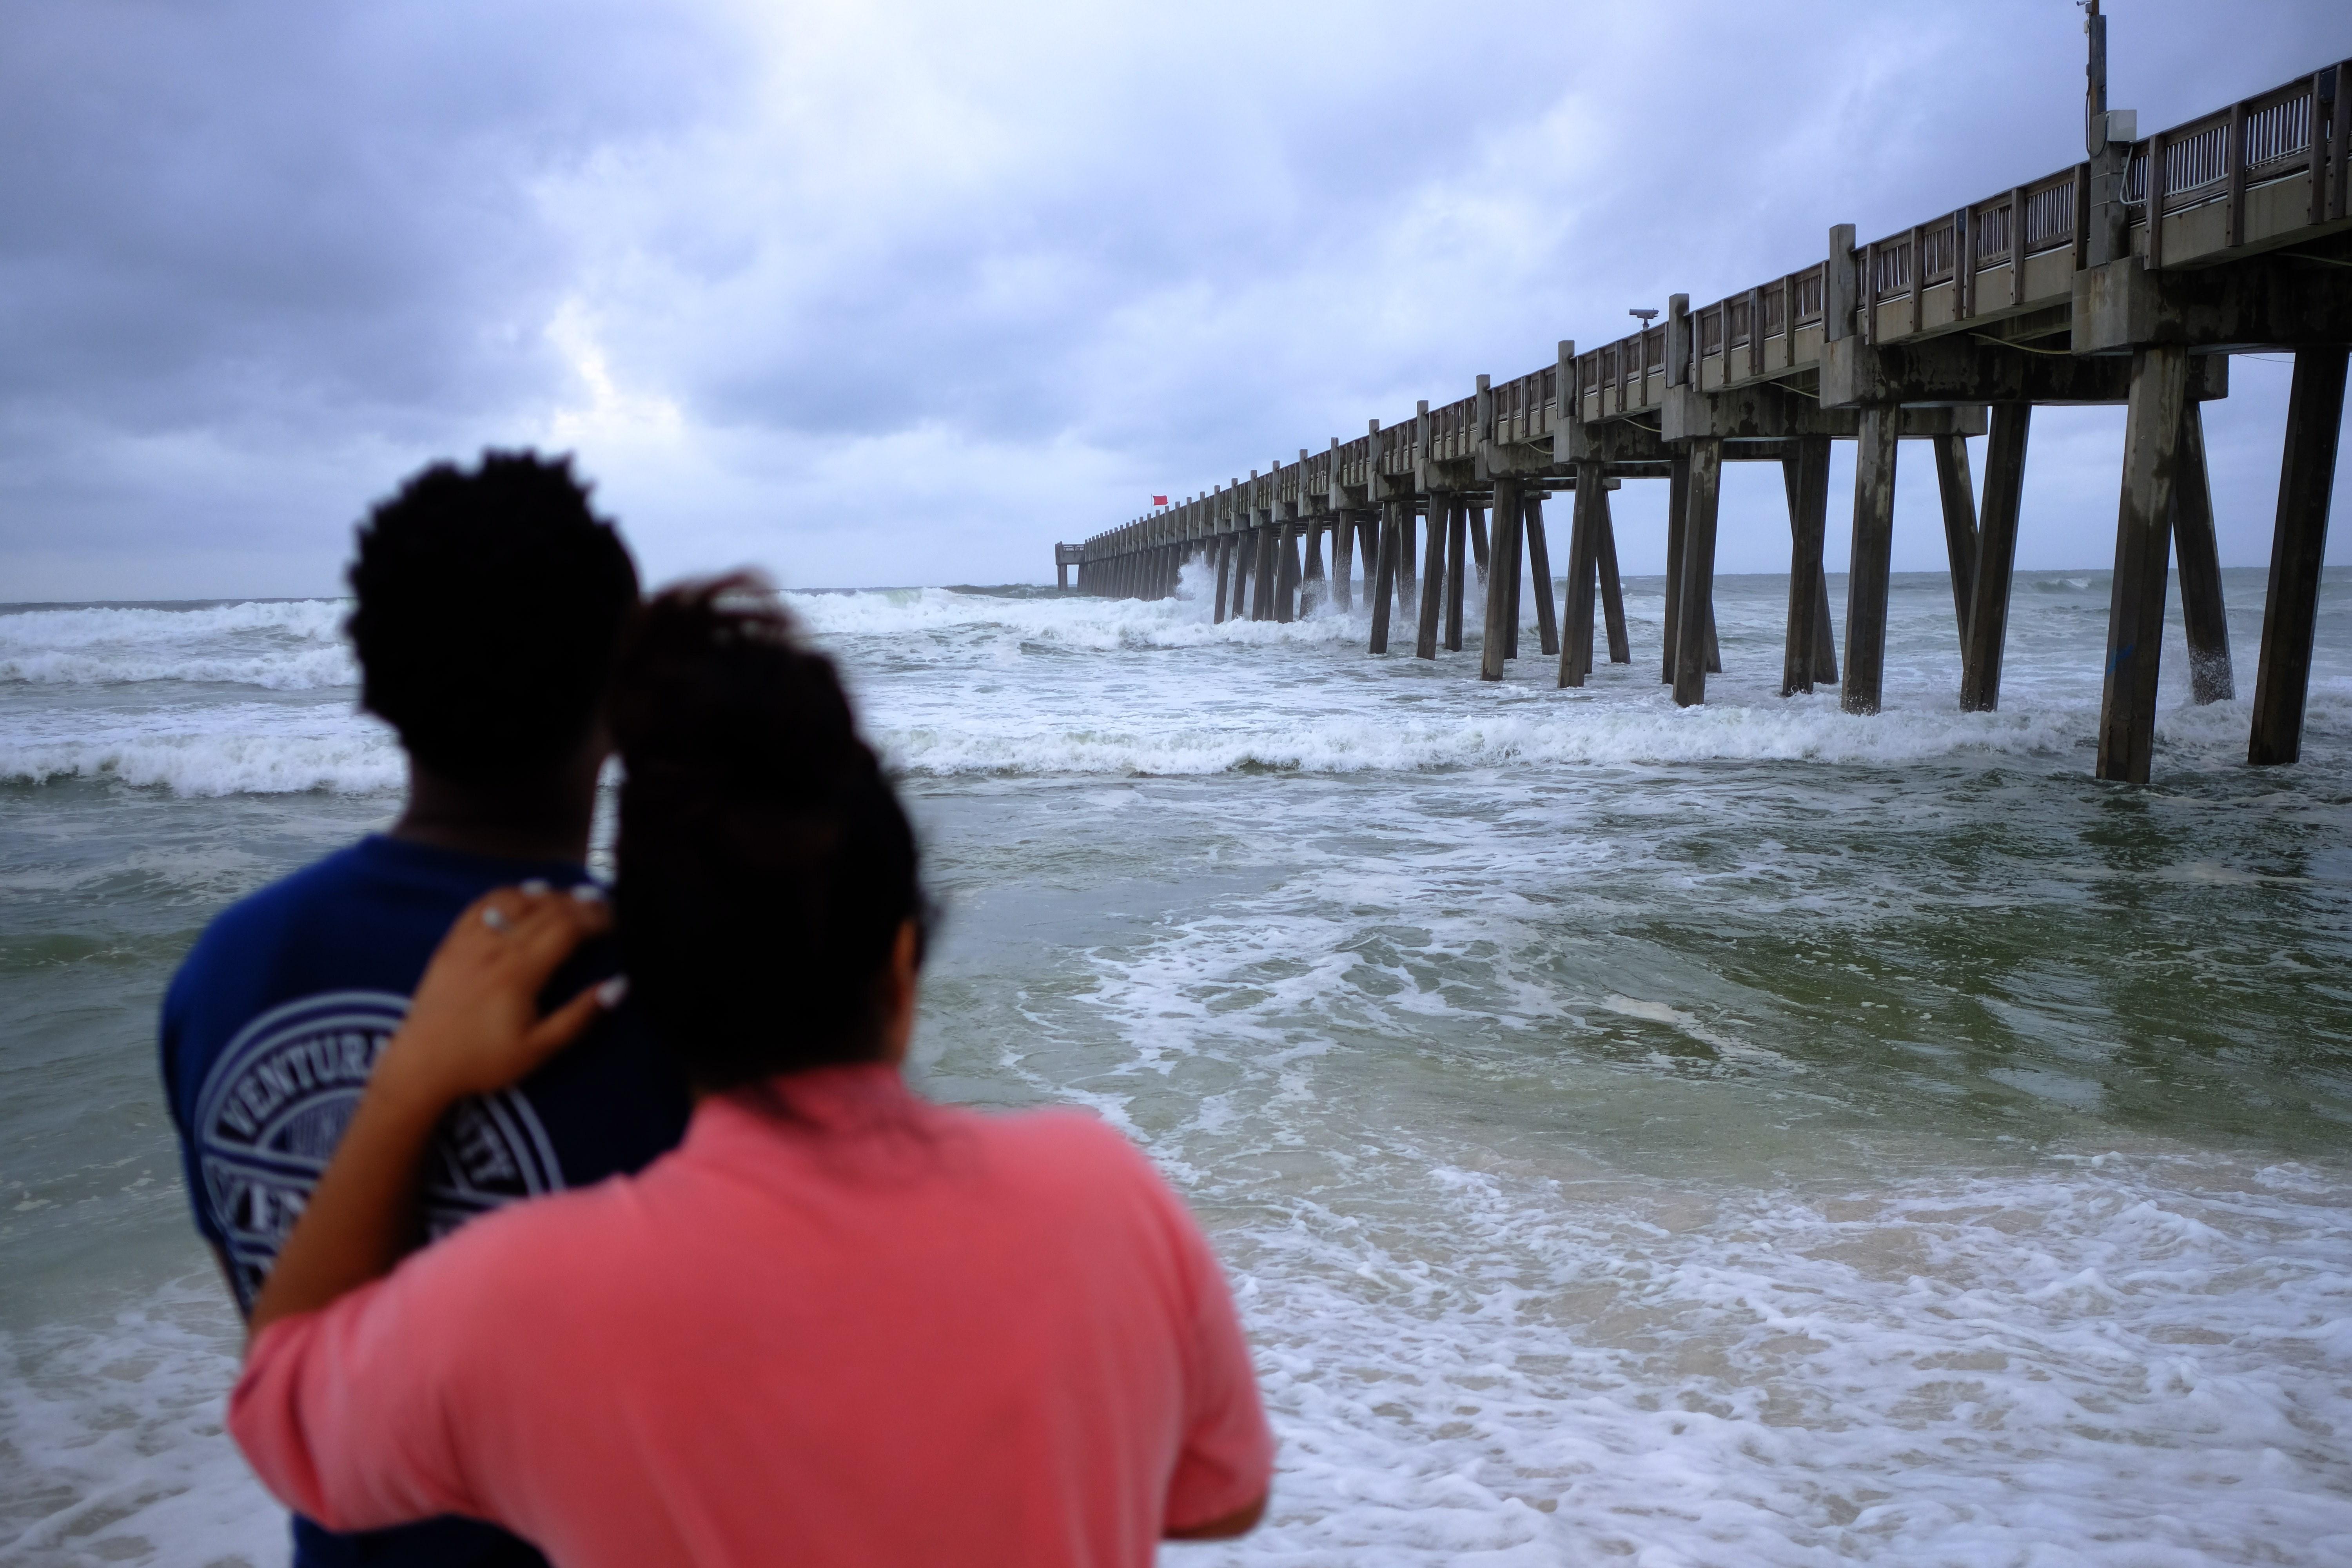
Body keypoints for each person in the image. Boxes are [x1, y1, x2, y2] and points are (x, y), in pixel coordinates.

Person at [224, 577, 1275, 1567]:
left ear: (651, 983)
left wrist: (411, 1081)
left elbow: (286, 1417)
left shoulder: (530, 1298)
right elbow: (1225, 1497)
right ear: (900, 966)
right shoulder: (1102, 1192)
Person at [160, 452, 691, 1568]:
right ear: (618, 699)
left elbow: (284, 1342)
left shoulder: (226, 972)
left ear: (371, 684)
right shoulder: (671, 994)